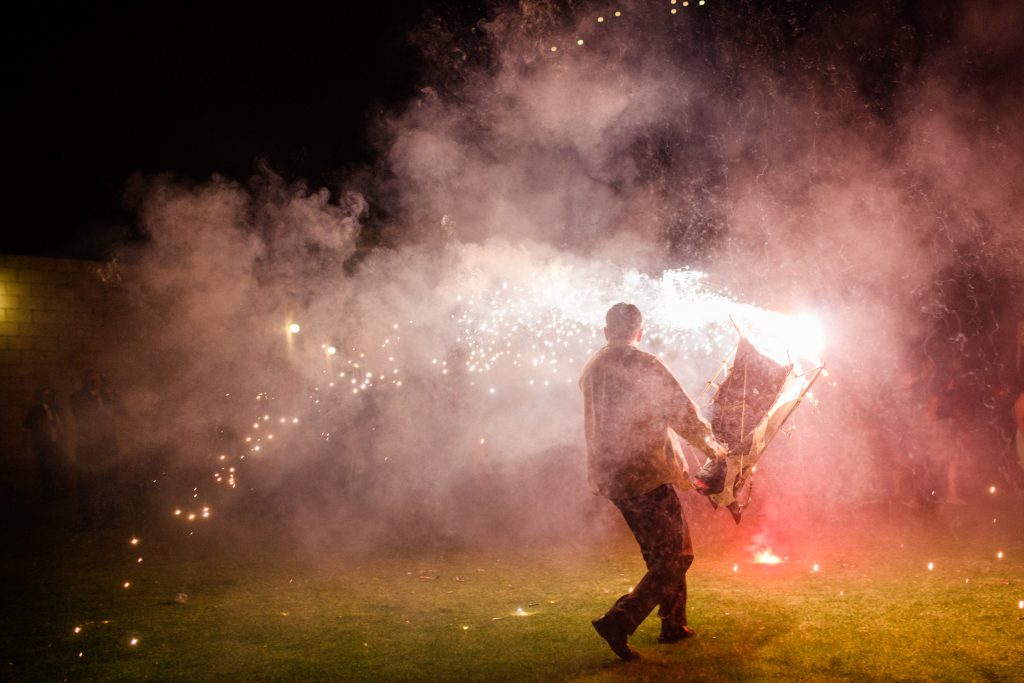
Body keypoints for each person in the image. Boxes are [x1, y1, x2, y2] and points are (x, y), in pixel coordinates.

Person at [579, 302, 729, 661]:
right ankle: (621, 620)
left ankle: (673, 623)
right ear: (639, 332)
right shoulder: (645, 365)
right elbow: (681, 412)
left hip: (613, 476)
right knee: (676, 556)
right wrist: (715, 450)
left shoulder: (592, 368)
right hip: (645, 473)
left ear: (606, 331)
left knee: (663, 554)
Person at [70, 370, 125, 528]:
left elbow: (122, 412)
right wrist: (99, 400)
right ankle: (87, 519)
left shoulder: (108, 397)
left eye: (97, 381)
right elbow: (82, 414)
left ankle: (110, 518)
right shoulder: (77, 397)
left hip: (108, 447)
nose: (94, 384)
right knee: (86, 485)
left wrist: (112, 396)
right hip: (88, 448)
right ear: (85, 382)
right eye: (91, 381)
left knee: (110, 483)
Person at [23, 387, 67, 500]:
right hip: (43, 444)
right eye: (46, 395)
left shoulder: (57, 409)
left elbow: (63, 424)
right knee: (44, 469)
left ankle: (56, 493)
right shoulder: (35, 410)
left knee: (56, 468)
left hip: (56, 443)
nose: (49, 398)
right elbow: (27, 425)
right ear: (41, 397)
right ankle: (46, 494)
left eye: (51, 395)